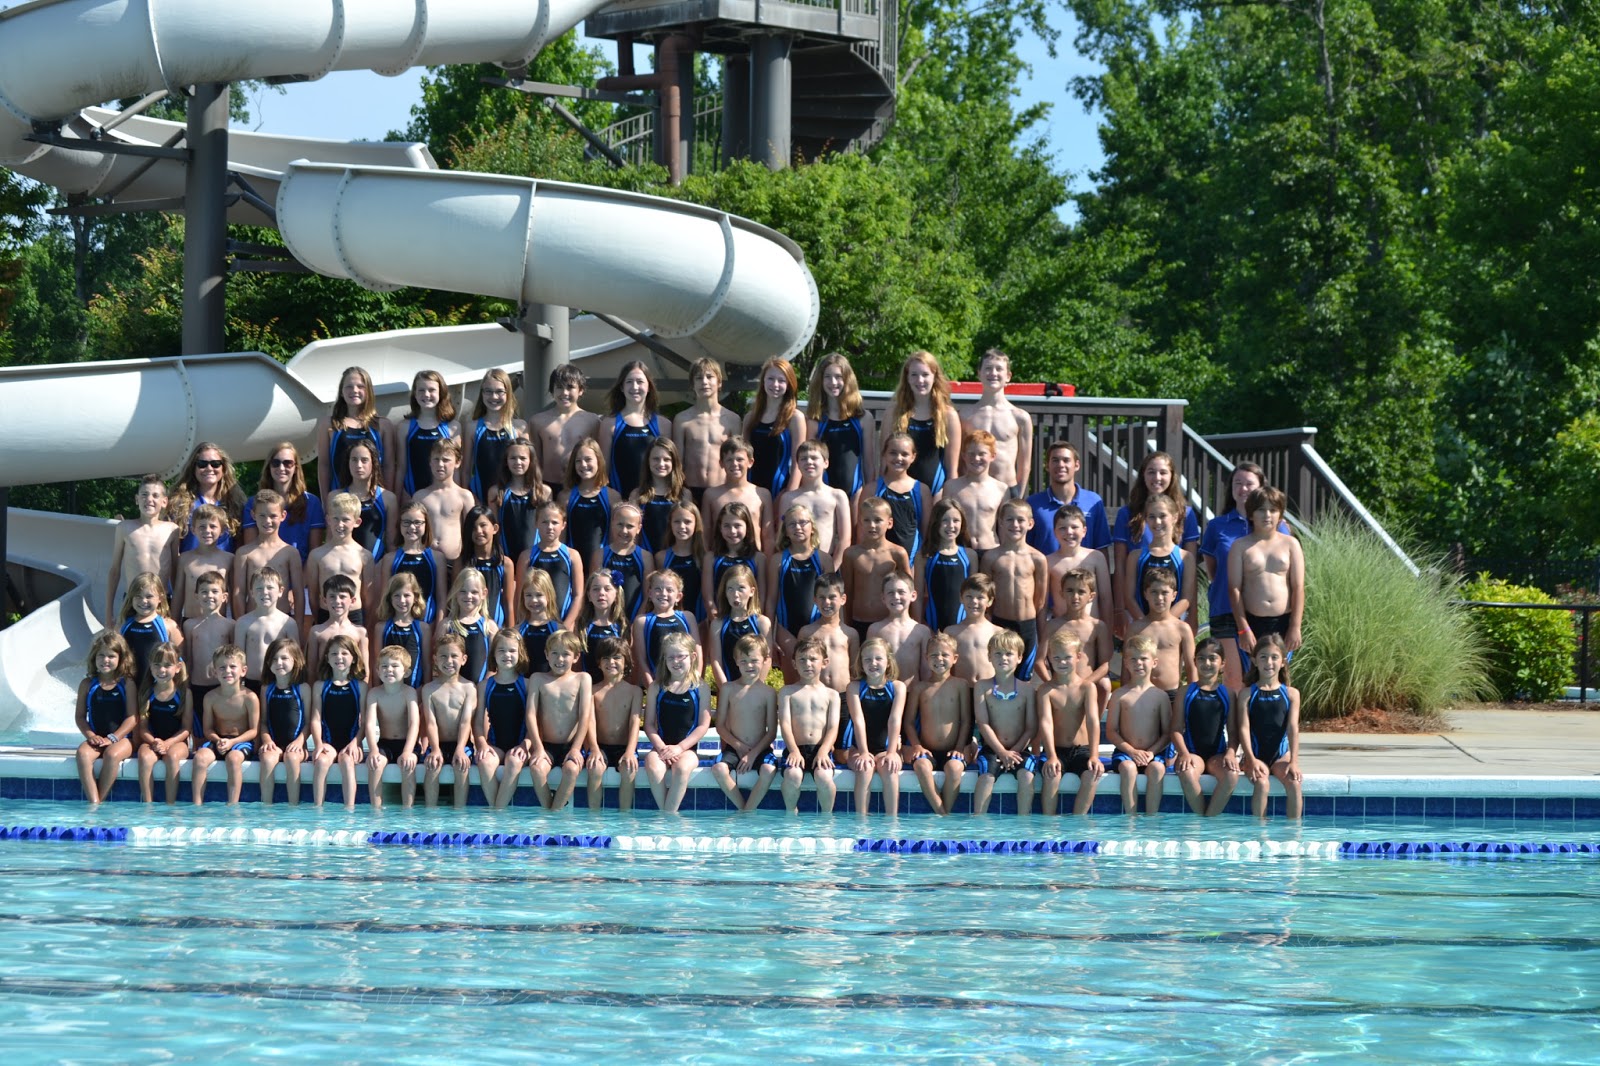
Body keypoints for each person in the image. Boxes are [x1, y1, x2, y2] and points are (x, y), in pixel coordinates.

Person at [1201, 463, 1280, 688]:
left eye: (1249, 484)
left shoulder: (1278, 527)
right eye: (1238, 483)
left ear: (1261, 487)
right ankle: (1235, 714)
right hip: (1225, 609)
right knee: (1233, 678)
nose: (1243, 489)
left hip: (1264, 613)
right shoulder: (1217, 526)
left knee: (1265, 677)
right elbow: (1213, 571)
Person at [1111, 450, 1200, 631]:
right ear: (1143, 475)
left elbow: (1190, 572)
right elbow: (1120, 566)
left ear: (1172, 476)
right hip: (1138, 611)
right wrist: (1120, 609)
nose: (1157, 477)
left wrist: (1192, 613)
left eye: (1163, 472)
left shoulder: (1186, 514)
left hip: (1174, 614)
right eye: (1151, 472)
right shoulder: (1127, 514)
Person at [1227, 486, 1305, 675]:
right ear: (1251, 514)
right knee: (1253, 676)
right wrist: (1243, 629)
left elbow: (1298, 587)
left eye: (1273, 510)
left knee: (1280, 675)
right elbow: (1234, 589)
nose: (1267, 515)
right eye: (1261, 509)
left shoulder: (1291, 544)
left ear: (1280, 514)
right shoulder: (1240, 546)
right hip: (1252, 623)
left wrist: (1295, 626)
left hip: (1283, 622)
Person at [709, 634, 781, 812]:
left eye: (754, 660)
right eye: (744, 661)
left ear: (765, 660)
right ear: (736, 661)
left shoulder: (768, 693)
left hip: (760, 748)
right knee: (718, 769)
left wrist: (753, 754)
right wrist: (739, 747)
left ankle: (748, 811)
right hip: (734, 748)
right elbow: (720, 726)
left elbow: (772, 731)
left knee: (768, 770)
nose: (749, 666)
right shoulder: (728, 689)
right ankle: (743, 809)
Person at [642, 632, 711, 814]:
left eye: (681, 656)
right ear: (664, 659)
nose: (676, 661)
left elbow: (703, 725)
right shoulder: (657, 687)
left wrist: (680, 748)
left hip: (687, 750)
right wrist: (662, 748)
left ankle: (668, 815)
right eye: (670, 657)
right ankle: (667, 814)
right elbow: (649, 724)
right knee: (652, 764)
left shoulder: (700, 687)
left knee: (681, 768)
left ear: (693, 657)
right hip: (661, 747)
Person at [1171, 639, 1241, 817]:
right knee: (1187, 773)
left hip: (1217, 755)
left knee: (1232, 775)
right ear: (1194, 662)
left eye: (1212, 658)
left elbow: (1233, 732)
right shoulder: (1185, 692)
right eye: (1201, 658)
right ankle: (1202, 819)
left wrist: (1231, 753)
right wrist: (1184, 753)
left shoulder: (1228, 694)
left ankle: (1209, 818)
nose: (1207, 663)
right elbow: (1176, 729)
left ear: (1222, 663)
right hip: (1192, 753)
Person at [903, 633, 971, 816]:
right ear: (926, 658)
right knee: (921, 766)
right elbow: (909, 722)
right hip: (928, 750)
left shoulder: (961, 685)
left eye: (944, 655)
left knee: (954, 769)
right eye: (933, 655)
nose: (939, 659)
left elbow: (966, 720)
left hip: (953, 750)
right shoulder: (919, 688)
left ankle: (944, 813)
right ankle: (942, 813)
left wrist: (959, 747)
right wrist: (917, 745)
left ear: (955, 658)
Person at [1235, 634, 1303, 819]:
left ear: (1283, 662)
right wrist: (1250, 759)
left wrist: (1293, 761)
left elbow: (1292, 728)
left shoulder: (1291, 694)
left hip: (1281, 756)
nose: (1269, 662)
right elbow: (1243, 728)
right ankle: (1260, 830)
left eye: (1274, 657)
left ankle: (1294, 831)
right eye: (1263, 657)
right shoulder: (1247, 694)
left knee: (1294, 783)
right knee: (1262, 783)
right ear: (1254, 661)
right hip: (1255, 756)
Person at [1105, 634, 1174, 815]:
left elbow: (1167, 733)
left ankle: (1151, 818)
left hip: (1153, 754)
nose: (1138, 663)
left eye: (1143, 658)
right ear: (1126, 664)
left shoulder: (1160, 696)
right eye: (1133, 659)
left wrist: (1151, 752)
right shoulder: (1119, 695)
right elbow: (1111, 731)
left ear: (1154, 662)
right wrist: (1132, 751)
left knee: (1157, 768)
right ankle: (1131, 817)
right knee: (1128, 769)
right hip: (1126, 753)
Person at [973, 630, 1039, 815]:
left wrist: (1013, 752)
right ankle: (978, 820)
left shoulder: (1027, 690)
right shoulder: (982, 687)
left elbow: (1031, 727)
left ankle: (1024, 822)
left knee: (1026, 776)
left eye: (1009, 653)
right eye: (998, 653)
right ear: (989, 657)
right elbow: (983, 723)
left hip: (1020, 750)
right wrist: (1002, 752)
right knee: (986, 777)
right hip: (992, 749)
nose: (1003, 658)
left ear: (1019, 658)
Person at [982, 499, 1048, 681]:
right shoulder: (991, 557)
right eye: (1010, 519)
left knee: (1023, 680)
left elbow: (1041, 602)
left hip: (1027, 627)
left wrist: (1043, 637)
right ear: (1000, 522)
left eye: (1020, 520)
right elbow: (986, 599)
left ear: (1030, 523)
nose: (1015, 524)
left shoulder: (1038, 559)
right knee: (998, 678)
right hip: (999, 625)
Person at [1037, 633, 1103, 816]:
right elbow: (1045, 723)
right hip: (1056, 750)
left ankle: (1078, 821)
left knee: (1092, 775)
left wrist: (1094, 755)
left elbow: (1093, 720)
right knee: (1051, 775)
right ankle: (1049, 822)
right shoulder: (1046, 690)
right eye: (1056, 657)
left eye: (1067, 657)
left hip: (1082, 749)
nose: (1062, 662)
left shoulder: (1087, 687)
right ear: (1049, 658)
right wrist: (1051, 756)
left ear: (1078, 657)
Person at [882, 350, 961, 498]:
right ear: (907, 378)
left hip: (936, 493)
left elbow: (952, 470)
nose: (920, 380)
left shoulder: (948, 415)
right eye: (914, 375)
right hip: (898, 493)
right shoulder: (894, 413)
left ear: (934, 377)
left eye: (925, 374)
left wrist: (948, 499)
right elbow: (884, 461)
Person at [528, 630, 592, 810]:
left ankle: (554, 813)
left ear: (576, 657)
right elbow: (531, 714)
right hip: (546, 746)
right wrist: (538, 748)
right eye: (555, 653)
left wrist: (576, 748)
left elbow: (585, 716)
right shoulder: (538, 679)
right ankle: (550, 810)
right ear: (546, 655)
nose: (560, 659)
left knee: (571, 770)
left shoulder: (582, 678)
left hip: (571, 745)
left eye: (566, 654)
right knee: (536, 769)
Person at [777, 636, 842, 814]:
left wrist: (824, 751)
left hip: (821, 749)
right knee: (792, 775)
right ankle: (791, 812)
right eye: (802, 659)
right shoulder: (787, 692)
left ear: (824, 662)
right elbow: (785, 724)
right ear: (794, 663)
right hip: (795, 748)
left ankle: (827, 816)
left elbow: (833, 727)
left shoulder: (832, 695)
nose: (807, 664)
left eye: (813, 659)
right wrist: (793, 751)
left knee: (824, 777)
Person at [807, 352, 875, 515]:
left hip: (856, 495)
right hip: (825, 495)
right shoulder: (814, 420)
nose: (833, 382)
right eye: (827, 377)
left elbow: (869, 463)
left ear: (847, 379)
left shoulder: (863, 418)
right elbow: (808, 464)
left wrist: (870, 497)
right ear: (820, 381)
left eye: (838, 377)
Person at [191, 644, 259, 806]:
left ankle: (232, 805)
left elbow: (254, 730)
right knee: (200, 758)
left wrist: (232, 742)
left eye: (232, 666)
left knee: (233, 759)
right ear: (215, 672)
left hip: (241, 741)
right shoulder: (210, 697)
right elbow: (207, 729)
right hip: (218, 740)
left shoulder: (249, 697)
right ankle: (197, 805)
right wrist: (218, 740)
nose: (227, 671)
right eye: (222, 667)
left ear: (243, 671)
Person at [845, 638, 906, 816]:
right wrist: (863, 752)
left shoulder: (897, 687)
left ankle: (892, 820)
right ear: (860, 663)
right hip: (858, 748)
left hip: (886, 748)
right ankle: (861, 819)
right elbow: (858, 720)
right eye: (867, 659)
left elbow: (895, 720)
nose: (873, 663)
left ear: (888, 662)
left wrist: (892, 752)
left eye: (878, 658)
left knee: (890, 769)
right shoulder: (854, 687)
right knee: (864, 768)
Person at [74, 630, 137, 803]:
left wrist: (113, 738)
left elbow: (132, 717)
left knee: (112, 755)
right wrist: (91, 736)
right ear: (94, 658)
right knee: (82, 754)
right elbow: (80, 717)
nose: (105, 660)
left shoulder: (127, 683)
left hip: (123, 739)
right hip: (97, 738)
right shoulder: (87, 684)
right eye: (101, 655)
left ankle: (99, 802)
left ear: (121, 658)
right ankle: (93, 802)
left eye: (111, 656)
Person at [106, 474, 179, 623]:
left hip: (161, 602)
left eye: (155, 495)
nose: (149, 499)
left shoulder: (172, 530)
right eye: (144, 494)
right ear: (137, 499)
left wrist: (177, 612)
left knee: (161, 638)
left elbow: (175, 573)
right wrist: (108, 613)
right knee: (127, 637)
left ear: (164, 501)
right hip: (132, 600)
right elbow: (114, 571)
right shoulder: (124, 528)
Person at [769, 504, 833, 674]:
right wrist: (769, 635)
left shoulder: (824, 560)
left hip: (817, 627)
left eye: (803, 522)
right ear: (785, 531)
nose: (798, 527)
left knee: (817, 679)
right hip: (786, 630)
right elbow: (771, 600)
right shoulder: (777, 560)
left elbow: (832, 598)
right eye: (792, 524)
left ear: (812, 527)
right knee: (792, 681)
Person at [673, 357, 743, 506]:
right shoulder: (682, 420)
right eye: (699, 378)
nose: (704, 382)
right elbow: (677, 462)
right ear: (692, 384)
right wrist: (680, 491)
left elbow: (738, 461)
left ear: (719, 382)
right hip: (690, 491)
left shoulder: (732, 419)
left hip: (722, 491)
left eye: (709, 377)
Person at [962, 348, 1033, 494]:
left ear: (1008, 376)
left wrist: (1019, 495)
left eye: (999, 369)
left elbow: (1025, 464)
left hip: (1007, 489)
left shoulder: (1020, 417)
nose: (993, 373)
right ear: (979, 374)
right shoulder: (965, 415)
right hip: (973, 490)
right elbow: (958, 458)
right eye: (988, 368)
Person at [1123, 494, 1197, 632]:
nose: (1157, 522)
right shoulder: (1135, 557)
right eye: (1151, 516)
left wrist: (1164, 623)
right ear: (1145, 519)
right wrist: (1144, 624)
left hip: (1171, 629)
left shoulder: (1185, 557)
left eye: (1162, 516)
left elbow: (1186, 598)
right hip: (1142, 629)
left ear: (1175, 517)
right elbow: (1129, 596)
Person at [240, 442, 325, 563]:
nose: (281, 468)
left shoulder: (312, 502)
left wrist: (300, 575)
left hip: (302, 571)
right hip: (264, 570)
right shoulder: (253, 503)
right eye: (275, 463)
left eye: (287, 463)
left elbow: (314, 554)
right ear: (269, 467)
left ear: (295, 468)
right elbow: (251, 552)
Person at [316, 365, 393, 498]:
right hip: (340, 501)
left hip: (374, 500)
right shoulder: (329, 424)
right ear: (341, 392)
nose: (354, 390)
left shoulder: (382, 425)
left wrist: (389, 498)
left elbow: (388, 465)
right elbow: (324, 465)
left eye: (360, 386)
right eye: (349, 387)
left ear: (368, 391)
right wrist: (325, 500)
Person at [476, 628, 532, 808]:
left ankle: (497, 812)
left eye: (512, 650)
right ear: (493, 654)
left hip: (521, 745)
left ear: (520, 653)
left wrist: (526, 744)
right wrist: (482, 744)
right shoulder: (485, 686)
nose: (507, 655)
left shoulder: (527, 684)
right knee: (484, 762)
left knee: (514, 761)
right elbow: (477, 722)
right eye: (501, 650)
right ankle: (498, 811)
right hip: (496, 745)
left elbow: (534, 722)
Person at [602, 361, 675, 500]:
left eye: (640, 381)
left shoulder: (663, 424)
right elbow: (603, 470)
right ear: (622, 387)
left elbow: (670, 467)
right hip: (620, 500)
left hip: (652, 499)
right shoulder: (609, 424)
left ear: (649, 387)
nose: (635, 387)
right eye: (629, 382)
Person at [309, 634, 366, 808]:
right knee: (321, 762)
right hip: (328, 743)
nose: (339, 657)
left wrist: (356, 743)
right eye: (334, 654)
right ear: (327, 658)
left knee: (347, 762)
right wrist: (318, 744)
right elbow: (316, 719)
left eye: (344, 653)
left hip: (351, 743)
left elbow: (365, 721)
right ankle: (318, 809)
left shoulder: (360, 686)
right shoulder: (320, 686)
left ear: (354, 658)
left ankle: (349, 810)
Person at [1043, 568, 1112, 711]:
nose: (1075, 596)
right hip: (1060, 685)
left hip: (1087, 685)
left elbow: (1105, 665)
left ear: (1091, 596)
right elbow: (1039, 661)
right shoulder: (1053, 625)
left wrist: (1084, 685)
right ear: (1061, 593)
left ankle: (1095, 723)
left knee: (1105, 685)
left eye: (1081, 592)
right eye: (1070, 591)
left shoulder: (1097, 626)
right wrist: (1051, 684)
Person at [420, 634, 477, 808]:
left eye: (454, 656)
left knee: (461, 766)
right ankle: (430, 811)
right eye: (443, 656)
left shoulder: (469, 688)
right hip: (438, 744)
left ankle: (459, 812)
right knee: (432, 766)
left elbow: (465, 722)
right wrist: (435, 749)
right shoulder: (429, 689)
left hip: (461, 744)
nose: (449, 661)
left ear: (464, 659)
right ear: (435, 659)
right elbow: (431, 723)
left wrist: (460, 748)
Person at [842, 498, 909, 644]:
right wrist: (846, 625)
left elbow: (908, 591)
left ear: (889, 523)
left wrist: (909, 624)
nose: (872, 525)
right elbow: (847, 593)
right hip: (857, 622)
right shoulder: (851, 554)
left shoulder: (897, 553)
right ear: (860, 522)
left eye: (878, 520)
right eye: (867, 520)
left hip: (888, 625)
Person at [1026, 441, 1111, 557]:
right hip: (1046, 568)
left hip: (1085, 568)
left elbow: (1101, 547)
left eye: (1066, 460)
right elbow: (1026, 548)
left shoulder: (1093, 501)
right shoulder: (1033, 504)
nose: (1061, 465)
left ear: (1077, 465)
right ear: (1047, 466)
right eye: (1055, 460)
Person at [586, 637, 642, 812]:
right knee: (595, 768)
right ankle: (594, 816)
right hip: (600, 747)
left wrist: (630, 751)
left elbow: (635, 722)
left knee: (629, 769)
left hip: (624, 747)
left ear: (626, 662)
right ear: (599, 663)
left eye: (617, 657)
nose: (611, 662)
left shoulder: (634, 691)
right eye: (606, 658)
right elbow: (590, 721)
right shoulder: (592, 691)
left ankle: (624, 815)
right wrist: (594, 749)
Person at [531, 364, 603, 498]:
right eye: (559, 387)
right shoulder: (538, 421)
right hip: (548, 487)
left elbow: (599, 459)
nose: (564, 393)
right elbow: (535, 460)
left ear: (580, 390)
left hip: (581, 486)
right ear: (552, 390)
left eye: (570, 387)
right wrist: (537, 486)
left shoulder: (592, 420)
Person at [362, 645, 421, 808]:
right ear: (378, 671)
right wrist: (373, 750)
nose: (389, 669)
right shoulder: (374, 693)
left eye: (395, 666)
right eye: (384, 666)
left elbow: (414, 723)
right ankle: (376, 810)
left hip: (407, 743)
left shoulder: (409, 692)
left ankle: (407, 810)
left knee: (408, 765)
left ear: (406, 672)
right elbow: (369, 724)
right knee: (375, 764)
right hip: (385, 744)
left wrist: (408, 751)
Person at [133, 641, 191, 805]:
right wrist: (155, 742)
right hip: (152, 741)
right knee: (144, 757)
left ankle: (170, 804)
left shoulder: (184, 693)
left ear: (178, 667)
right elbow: (143, 728)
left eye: (167, 665)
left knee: (172, 757)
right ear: (151, 667)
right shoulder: (146, 692)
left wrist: (167, 743)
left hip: (177, 742)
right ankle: (148, 805)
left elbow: (186, 729)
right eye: (157, 665)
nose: (162, 670)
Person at [1127, 568, 1197, 701]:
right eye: (1154, 592)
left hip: (1172, 695)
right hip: (1140, 695)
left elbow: (1191, 667)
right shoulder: (1136, 628)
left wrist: (1193, 698)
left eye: (1164, 592)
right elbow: (1126, 666)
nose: (1159, 598)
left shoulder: (1182, 629)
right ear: (1145, 594)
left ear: (1174, 595)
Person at [255, 636, 310, 806]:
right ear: (268, 663)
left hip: (297, 746)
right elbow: (263, 721)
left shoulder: (303, 688)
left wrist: (299, 742)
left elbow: (309, 722)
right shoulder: (266, 688)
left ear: (296, 661)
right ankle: (266, 807)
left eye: (284, 658)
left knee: (291, 758)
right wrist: (267, 741)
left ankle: (293, 806)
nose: (279, 662)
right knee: (267, 759)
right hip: (274, 744)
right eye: (274, 659)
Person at [305, 492, 374, 624]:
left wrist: (364, 624)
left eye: (345, 519)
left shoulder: (364, 556)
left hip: (354, 617)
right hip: (325, 616)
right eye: (335, 519)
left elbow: (368, 598)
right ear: (328, 520)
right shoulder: (317, 555)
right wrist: (319, 619)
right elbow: (313, 596)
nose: (340, 524)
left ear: (357, 522)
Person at [232, 491, 302, 619]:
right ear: (253, 515)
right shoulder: (244, 553)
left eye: (273, 516)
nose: (267, 521)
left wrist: (298, 626)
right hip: (252, 621)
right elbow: (239, 593)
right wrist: (240, 624)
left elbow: (298, 593)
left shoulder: (290, 552)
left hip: (282, 621)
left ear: (283, 516)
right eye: (262, 515)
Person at [744, 356, 806, 498]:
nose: (775, 384)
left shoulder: (795, 418)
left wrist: (789, 496)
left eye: (781, 380)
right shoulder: (750, 418)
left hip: (781, 492)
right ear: (763, 381)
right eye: (770, 379)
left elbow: (798, 462)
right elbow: (744, 458)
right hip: (751, 492)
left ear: (789, 384)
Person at [463, 367, 528, 502]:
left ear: (508, 393)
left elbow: (528, 468)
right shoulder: (472, 428)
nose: (494, 397)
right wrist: (473, 501)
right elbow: (465, 470)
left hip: (512, 499)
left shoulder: (519, 428)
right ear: (482, 393)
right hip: (480, 498)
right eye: (488, 391)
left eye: (499, 392)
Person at [778, 440, 852, 558]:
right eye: (803, 459)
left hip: (828, 560)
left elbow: (845, 539)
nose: (809, 462)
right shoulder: (788, 498)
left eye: (814, 458)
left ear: (826, 463)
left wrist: (834, 566)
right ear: (798, 464)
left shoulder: (837, 496)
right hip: (796, 562)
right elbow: (782, 537)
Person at [520, 500, 586, 630]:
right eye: (544, 522)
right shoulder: (527, 556)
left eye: (555, 522)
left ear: (563, 525)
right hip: (534, 625)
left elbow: (578, 595)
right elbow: (520, 596)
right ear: (536, 523)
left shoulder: (572, 555)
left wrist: (566, 625)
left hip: (563, 625)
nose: (549, 527)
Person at [168, 442, 245, 553]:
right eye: (202, 464)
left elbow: (242, 544)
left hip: (226, 564)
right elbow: (171, 548)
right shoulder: (178, 504)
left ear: (223, 468)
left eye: (215, 464)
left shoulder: (236, 503)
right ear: (193, 468)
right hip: (190, 563)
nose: (209, 468)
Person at [234, 567, 299, 696]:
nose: (264, 592)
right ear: (252, 593)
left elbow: (296, 658)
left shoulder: (288, 623)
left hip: (280, 683)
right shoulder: (243, 623)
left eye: (270, 588)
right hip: (251, 684)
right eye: (259, 588)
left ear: (280, 591)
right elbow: (238, 659)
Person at [941, 430, 1010, 551]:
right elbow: (943, 521)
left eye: (982, 454)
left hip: (991, 549)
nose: (976, 458)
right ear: (963, 456)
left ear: (993, 456)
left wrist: (1004, 552)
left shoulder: (1001, 489)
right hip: (961, 549)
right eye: (971, 454)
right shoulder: (951, 486)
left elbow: (1004, 527)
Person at [399, 368, 460, 502]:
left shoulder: (452, 427)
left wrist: (457, 496)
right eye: (421, 390)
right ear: (415, 394)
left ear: (441, 393)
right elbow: (401, 467)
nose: (426, 394)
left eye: (432, 390)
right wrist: (399, 496)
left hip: (444, 497)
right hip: (412, 495)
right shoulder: (405, 427)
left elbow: (456, 469)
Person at [702, 438, 773, 553]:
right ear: (721, 463)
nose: (734, 464)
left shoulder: (762, 495)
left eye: (740, 459)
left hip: (753, 559)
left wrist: (767, 563)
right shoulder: (711, 495)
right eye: (729, 460)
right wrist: (707, 560)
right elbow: (705, 535)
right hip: (720, 558)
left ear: (750, 462)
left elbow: (768, 536)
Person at [412, 438, 475, 566]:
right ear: (430, 462)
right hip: (425, 561)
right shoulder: (420, 496)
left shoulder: (464, 496)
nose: (440, 464)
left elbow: (471, 532)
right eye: (436, 459)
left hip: (455, 562)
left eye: (446, 460)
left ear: (457, 462)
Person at [1045, 506, 1112, 624]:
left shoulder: (1096, 558)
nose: (1069, 532)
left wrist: (1108, 630)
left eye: (1074, 527)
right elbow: (1042, 603)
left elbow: (1105, 598)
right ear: (1055, 532)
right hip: (1062, 629)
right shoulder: (1048, 562)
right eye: (1062, 528)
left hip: (1091, 628)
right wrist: (1043, 631)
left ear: (1084, 531)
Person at [562, 437, 621, 574]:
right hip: (573, 563)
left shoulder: (612, 496)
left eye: (588, 459)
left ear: (599, 461)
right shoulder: (565, 497)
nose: (583, 464)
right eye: (578, 461)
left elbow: (614, 539)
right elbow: (561, 539)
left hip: (602, 565)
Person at [916, 499, 976, 632]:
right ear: (936, 523)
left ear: (962, 523)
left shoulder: (970, 555)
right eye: (945, 520)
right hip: (932, 626)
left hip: (962, 628)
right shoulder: (925, 555)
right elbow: (918, 596)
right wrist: (919, 625)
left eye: (956, 520)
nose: (951, 525)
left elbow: (974, 594)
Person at [632, 569, 699, 687]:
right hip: (657, 685)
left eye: (669, 590)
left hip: (687, 685)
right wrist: (652, 687)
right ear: (650, 593)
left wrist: (694, 681)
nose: (663, 593)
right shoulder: (642, 621)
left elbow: (697, 652)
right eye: (658, 589)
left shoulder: (687, 617)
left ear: (678, 596)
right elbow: (641, 660)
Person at [488, 437, 548, 568]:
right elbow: (494, 529)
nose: (518, 462)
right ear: (506, 461)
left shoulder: (543, 492)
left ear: (531, 461)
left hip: (535, 558)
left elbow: (547, 527)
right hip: (506, 556)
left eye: (523, 458)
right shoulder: (496, 492)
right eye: (513, 458)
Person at [182, 572, 235, 721]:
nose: (209, 595)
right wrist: (185, 685)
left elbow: (235, 659)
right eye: (204, 592)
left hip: (222, 687)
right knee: (199, 727)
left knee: (221, 726)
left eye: (214, 591)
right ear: (196, 596)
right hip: (197, 685)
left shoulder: (230, 625)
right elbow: (187, 658)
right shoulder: (189, 625)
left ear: (224, 597)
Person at [708, 566, 771, 690]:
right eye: (730, 589)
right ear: (725, 592)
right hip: (728, 689)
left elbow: (767, 659)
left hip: (754, 690)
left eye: (741, 588)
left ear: (752, 591)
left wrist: (754, 688)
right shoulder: (718, 624)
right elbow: (716, 661)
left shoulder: (761, 622)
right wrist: (727, 690)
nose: (735, 594)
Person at [453, 504, 514, 628]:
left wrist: (511, 632)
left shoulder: (505, 564)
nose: (478, 531)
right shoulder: (462, 563)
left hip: (496, 629)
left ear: (495, 528)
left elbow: (508, 603)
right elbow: (454, 599)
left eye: (483, 525)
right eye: (473, 527)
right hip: (466, 628)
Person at [434, 568, 497, 685]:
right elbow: (437, 661)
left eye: (474, 592)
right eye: (463, 591)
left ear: (484, 594)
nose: (468, 596)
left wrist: (483, 687)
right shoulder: (446, 625)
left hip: (481, 689)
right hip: (451, 690)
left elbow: (494, 665)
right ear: (456, 592)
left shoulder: (489, 627)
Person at [702, 501, 765, 620]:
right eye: (727, 526)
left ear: (747, 527)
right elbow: (708, 597)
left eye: (737, 525)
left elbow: (761, 596)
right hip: (720, 620)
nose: (732, 531)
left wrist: (753, 620)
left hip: (749, 619)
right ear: (720, 528)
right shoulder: (711, 558)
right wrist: (716, 618)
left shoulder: (758, 558)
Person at [381, 503, 441, 625]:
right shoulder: (390, 559)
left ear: (426, 525)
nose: (412, 527)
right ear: (399, 525)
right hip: (398, 623)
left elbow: (441, 598)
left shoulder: (437, 558)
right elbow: (385, 597)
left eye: (417, 522)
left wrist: (439, 626)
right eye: (406, 522)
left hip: (429, 622)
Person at [118, 572, 181, 688]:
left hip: (157, 690)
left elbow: (181, 660)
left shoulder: (168, 626)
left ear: (160, 598)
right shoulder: (123, 626)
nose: (144, 601)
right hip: (129, 687)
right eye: (138, 596)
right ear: (131, 598)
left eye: (149, 596)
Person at [874, 433, 932, 560]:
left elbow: (927, 533)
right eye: (893, 453)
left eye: (904, 454)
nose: (898, 458)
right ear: (884, 454)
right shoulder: (872, 489)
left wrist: (919, 563)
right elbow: (863, 532)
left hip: (912, 561)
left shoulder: (922, 490)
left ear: (913, 457)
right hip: (878, 561)